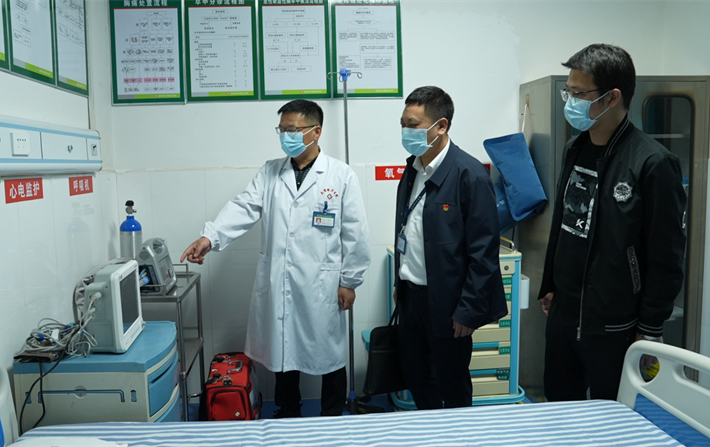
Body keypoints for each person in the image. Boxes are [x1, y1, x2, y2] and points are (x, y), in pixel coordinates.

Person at [181, 99, 370, 417]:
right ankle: (288, 412)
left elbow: (356, 232)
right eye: (282, 130)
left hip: (323, 283)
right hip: (280, 280)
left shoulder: (340, 175)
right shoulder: (270, 171)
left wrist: (349, 281)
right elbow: (244, 207)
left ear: (316, 132)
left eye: (292, 130)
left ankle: (332, 415)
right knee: (283, 348)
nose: (286, 136)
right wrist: (209, 237)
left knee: (330, 353)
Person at [539, 44, 686, 401]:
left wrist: (650, 327)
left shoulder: (652, 162)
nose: (570, 102)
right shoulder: (575, 149)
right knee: (558, 409)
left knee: (614, 414)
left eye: (579, 94)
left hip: (615, 323)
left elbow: (666, 254)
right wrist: (550, 284)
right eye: (567, 92)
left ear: (612, 97)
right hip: (564, 314)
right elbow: (564, 224)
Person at [393, 86, 507, 409]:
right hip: (412, 298)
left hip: (449, 302)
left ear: (441, 126)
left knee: (452, 384)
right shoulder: (413, 168)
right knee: (417, 378)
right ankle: (430, 430)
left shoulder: (469, 175)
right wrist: (400, 284)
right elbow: (409, 230)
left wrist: (468, 310)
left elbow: (484, 254)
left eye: (413, 125)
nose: (405, 132)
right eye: (403, 124)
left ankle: (459, 433)